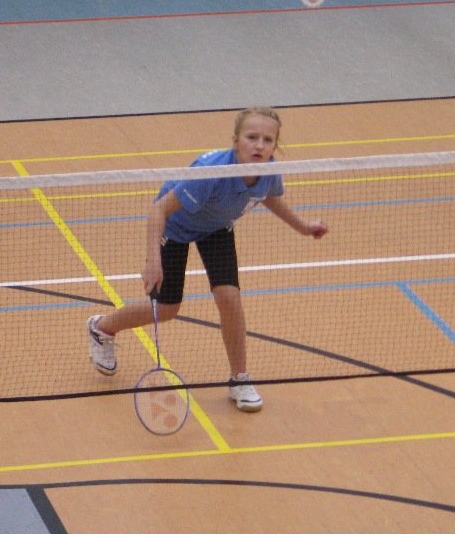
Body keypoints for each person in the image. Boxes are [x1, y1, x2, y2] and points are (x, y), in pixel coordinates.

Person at [86, 106, 329, 413]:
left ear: (275, 145)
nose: (259, 145)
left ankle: (239, 379)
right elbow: (159, 210)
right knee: (168, 308)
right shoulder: (211, 171)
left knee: (229, 297)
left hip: (216, 228)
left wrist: (302, 226)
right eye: (251, 137)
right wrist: (153, 262)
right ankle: (103, 327)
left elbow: (269, 195)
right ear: (235, 140)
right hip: (175, 227)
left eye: (267, 140)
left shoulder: (268, 170)